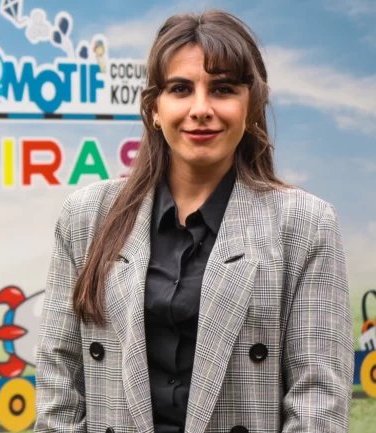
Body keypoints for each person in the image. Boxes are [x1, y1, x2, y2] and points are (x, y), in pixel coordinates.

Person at [34, 9, 353, 433]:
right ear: (154, 108)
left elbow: (317, 405)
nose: (201, 109)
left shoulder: (306, 225)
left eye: (222, 89)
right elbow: (59, 385)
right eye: (181, 89)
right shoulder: (86, 216)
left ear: (251, 106)